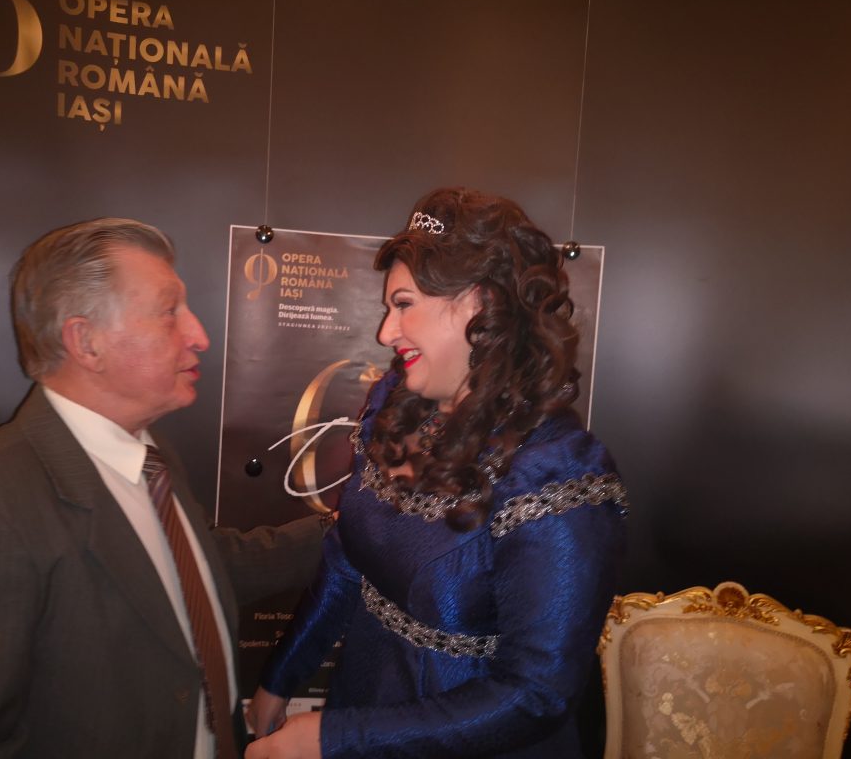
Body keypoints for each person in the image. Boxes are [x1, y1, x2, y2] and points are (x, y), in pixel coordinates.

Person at [0, 218, 323, 758]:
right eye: (169, 311)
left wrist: (350, 529)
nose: (199, 335)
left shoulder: (150, 457)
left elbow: (195, 568)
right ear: (85, 342)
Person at [244, 188, 628, 758]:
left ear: (481, 303)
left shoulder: (558, 476)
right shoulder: (395, 405)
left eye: (403, 304)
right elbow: (349, 558)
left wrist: (336, 738)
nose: (385, 333)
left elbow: (536, 694)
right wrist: (283, 674)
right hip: (364, 704)